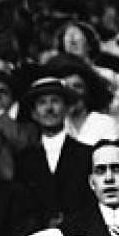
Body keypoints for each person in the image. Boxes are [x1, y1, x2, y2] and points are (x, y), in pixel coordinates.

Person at [12, 77, 95, 225]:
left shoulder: (87, 154)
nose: (49, 108)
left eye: (55, 101)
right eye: (42, 103)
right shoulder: (23, 159)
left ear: (67, 108)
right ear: (34, 113)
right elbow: (20, 207)